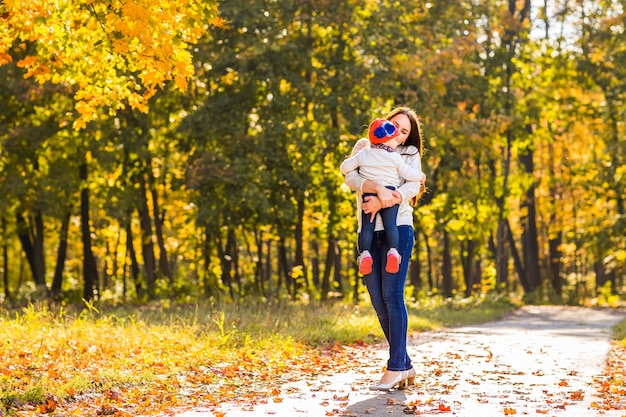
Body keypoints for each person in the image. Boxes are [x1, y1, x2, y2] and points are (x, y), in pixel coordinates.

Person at [342, 107, 425, 391]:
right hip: (367, 233)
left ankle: (394, 367)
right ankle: (404, 363)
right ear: (385, 123)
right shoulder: (365, 146)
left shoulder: (408, 154)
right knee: (378, 300)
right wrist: (375, 186)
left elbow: (413, 186)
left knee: (392, 295)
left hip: (398, 230)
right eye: (395, 126)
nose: (399, 134)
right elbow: (350, 179)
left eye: (405, 131)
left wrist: (384, 200)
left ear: (409, 136)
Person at [340, 118, 425, 276]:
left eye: (404, 131)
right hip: (390, 192)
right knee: (391, 225)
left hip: (368, 197)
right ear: (388, 140)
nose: (397, 136)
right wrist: (421, 176)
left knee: (367, 228)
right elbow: (408, 174)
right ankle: (393, 252)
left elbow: (345, 168)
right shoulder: (394, 157)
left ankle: (364, 254)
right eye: (395, 130)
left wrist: (354, 162)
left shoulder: (364, 154)